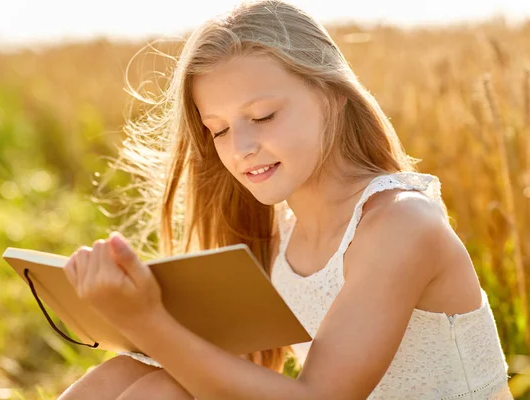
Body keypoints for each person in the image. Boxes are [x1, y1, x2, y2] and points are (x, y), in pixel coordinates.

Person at [58, 0, 513, 398]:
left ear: (333, 96)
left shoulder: (400, 224)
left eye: (263, 115)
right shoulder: (281, 237)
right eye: (218, 129)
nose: (241, 146)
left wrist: (147, 322)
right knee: (140, 378)